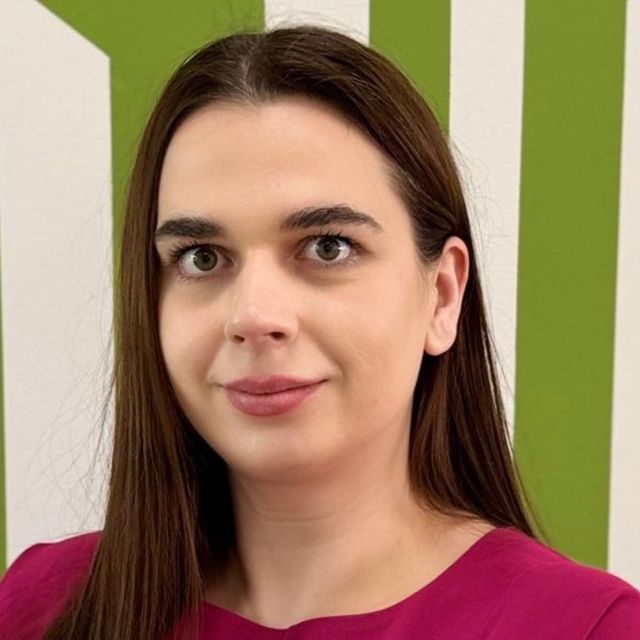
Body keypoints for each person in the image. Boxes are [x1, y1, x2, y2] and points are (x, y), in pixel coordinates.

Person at [0, 24, 639, 640]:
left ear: (442, 295)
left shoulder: (588, 627)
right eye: (202, 257)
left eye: (328, 247)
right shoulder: (39, 605)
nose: (253, 316)